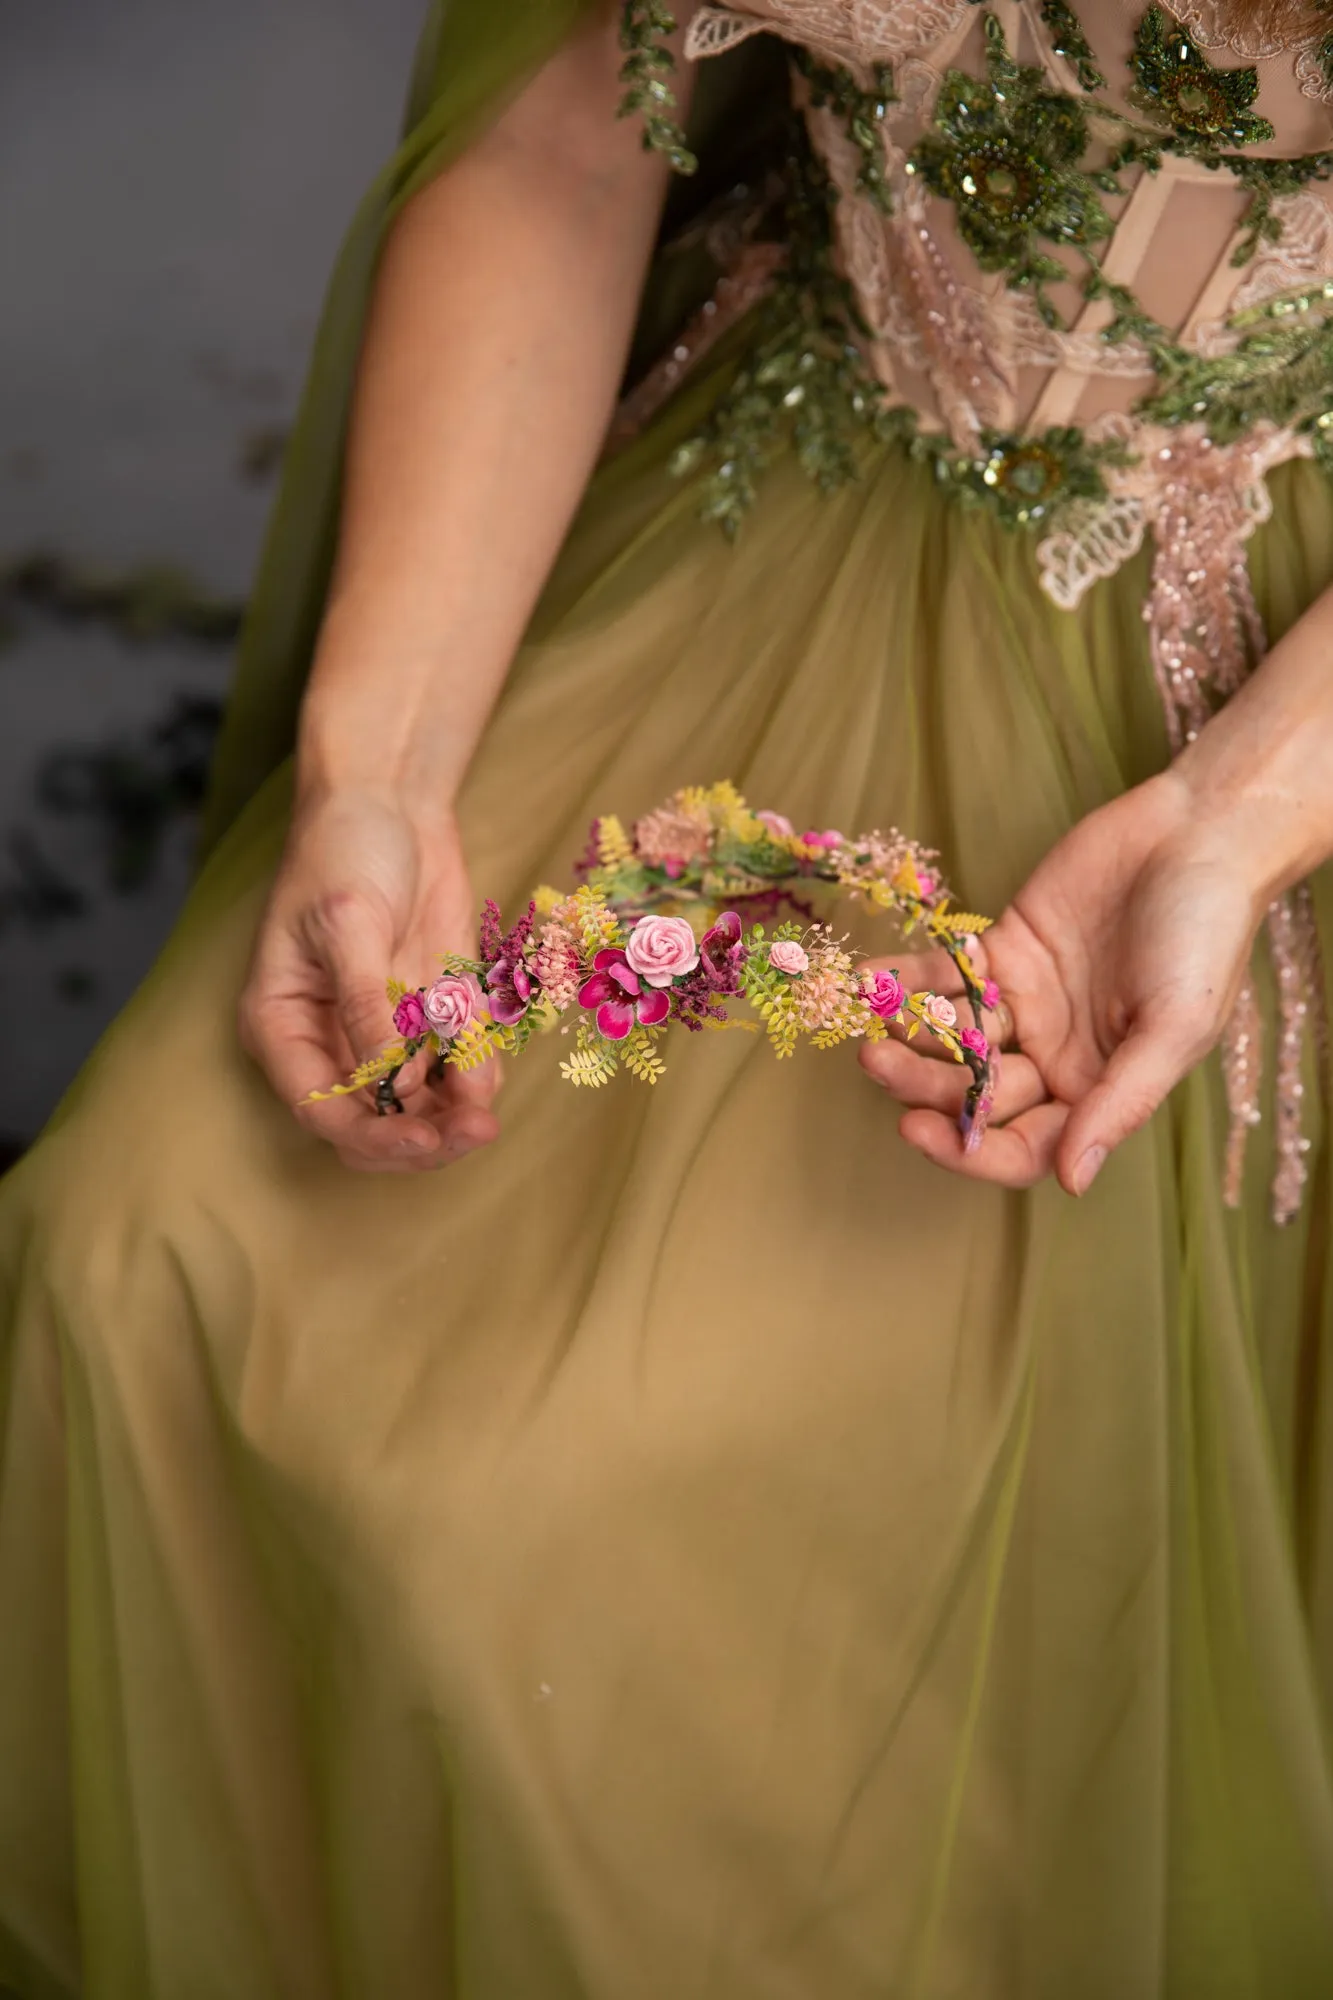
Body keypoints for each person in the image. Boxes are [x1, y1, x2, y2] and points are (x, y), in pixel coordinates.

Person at [3, 0, 1333, 1992]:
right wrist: (383, 772)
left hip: (1249, 716)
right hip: (793, 493)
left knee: (602, 1549)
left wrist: (1238, 811)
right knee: (139, 1258)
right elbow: (560, 136)